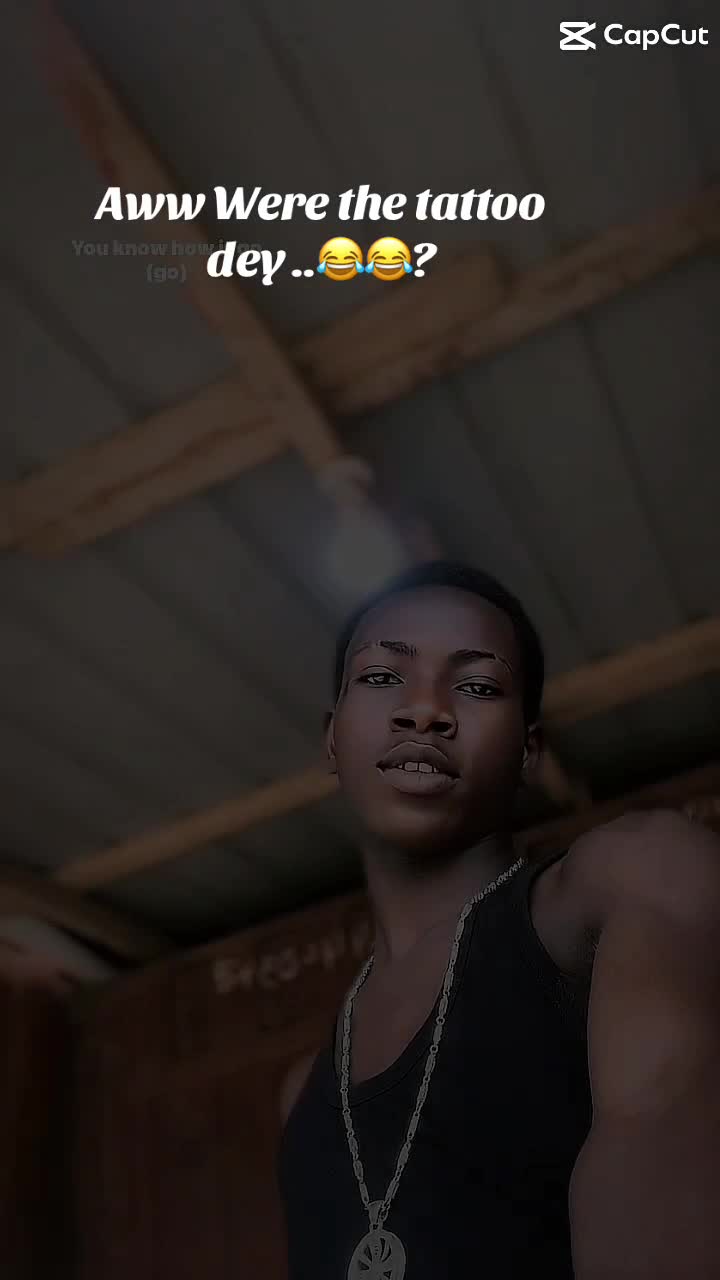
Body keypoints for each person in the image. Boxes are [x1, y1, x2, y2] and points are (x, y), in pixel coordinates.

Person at [277, 561, 720, 1279]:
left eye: (478, 686)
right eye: (383, 677)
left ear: (528, 751)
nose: (425, 710)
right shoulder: (301, 1094)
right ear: (332, 740)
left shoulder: (633, 881)